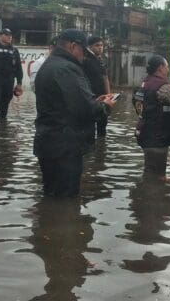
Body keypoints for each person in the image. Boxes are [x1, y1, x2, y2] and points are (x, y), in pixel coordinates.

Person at [33, 29, 116, 197]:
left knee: (51, 196)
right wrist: (104, 106)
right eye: (83, 51)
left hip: (49, 142)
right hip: (65, 147)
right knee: (66, 200)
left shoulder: (50, 64)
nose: (84, 56)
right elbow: (86, 109)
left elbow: (68, 103)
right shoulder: (67, 68)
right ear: (73, 46)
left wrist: (95, 101)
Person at [81, 36, 111, 138]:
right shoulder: (86, 60)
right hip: (91, 98)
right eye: (97, 45)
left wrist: (109, 95)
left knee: (102, 127)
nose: (100, 48)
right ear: (90, 47)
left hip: (103, 98)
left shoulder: (101, 61)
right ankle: (93, 151)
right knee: (90, 128)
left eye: (101, 45)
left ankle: (101, 149)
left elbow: (105, 78)